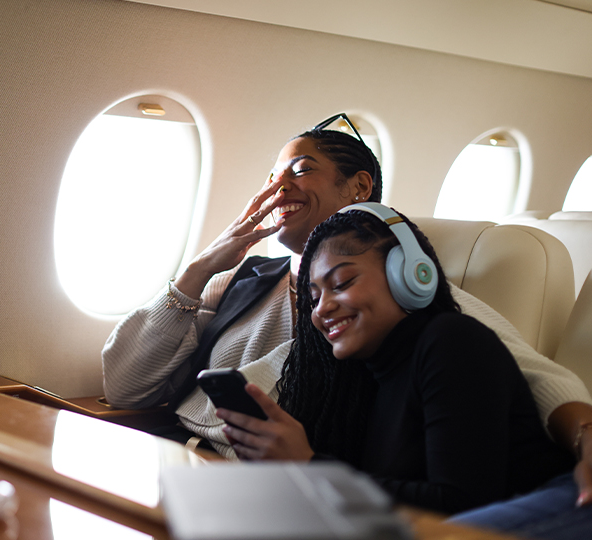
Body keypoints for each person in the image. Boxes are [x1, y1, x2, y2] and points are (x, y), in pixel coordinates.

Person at [101, 114, 592, 502]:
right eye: (272, 177)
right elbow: (125, 386)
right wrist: (200, 269)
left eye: (300, 170)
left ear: (359, 188)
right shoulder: (238, 281)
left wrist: (586, 437)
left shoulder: (407, 299)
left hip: (271, 492)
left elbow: (535, 376)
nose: (279, 188)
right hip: (179, 464)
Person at [218, 204, 574, 514]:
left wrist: (308, 466)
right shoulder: (360, 377)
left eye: (341, 283)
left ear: (410, 275)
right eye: (314, 297)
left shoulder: (452, 341)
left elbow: (462, 504)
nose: (322, 308)